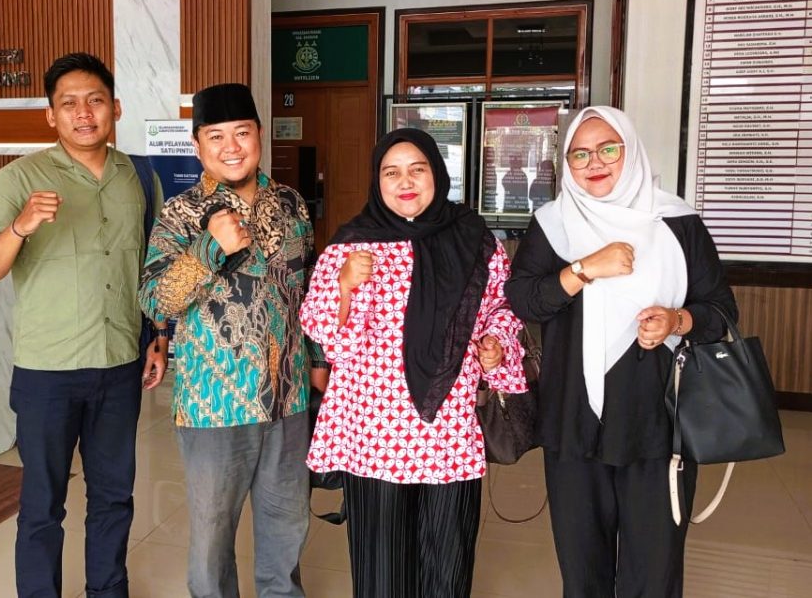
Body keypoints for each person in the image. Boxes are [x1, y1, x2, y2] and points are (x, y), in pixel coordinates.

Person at [505, 106, 737, 598]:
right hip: (574, 425)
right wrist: (584, 268)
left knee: (653, 575)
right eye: (580, 153)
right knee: (582, 574)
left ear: (630, 152)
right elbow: (524, 300)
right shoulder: (552, 224)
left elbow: (721, 312)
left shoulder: (677, 222)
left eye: (608, 149)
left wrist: (677, 320)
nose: (594, 162)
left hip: (659, 426)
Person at [300, 127, 528, 597]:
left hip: (448, 429)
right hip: (373, 433)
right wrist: (345, 286)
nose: (405, 182)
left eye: (416, 170)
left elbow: (503, 308)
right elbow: (325, 337)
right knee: (382, 570)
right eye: (391, 173)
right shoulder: (350, 246)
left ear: (436, 174)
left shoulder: (475, 240)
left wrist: (497, 343)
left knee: (447, 562)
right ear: (377, 181)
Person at [0, 52, 166, 598]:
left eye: (95, 101)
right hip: (47, 373)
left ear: (115, 108)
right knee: (42, 505)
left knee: (114, 497)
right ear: (50, 115)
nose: (84, 113)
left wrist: (159, 336)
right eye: (70, 104)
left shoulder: (140, 177)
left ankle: (108, 590)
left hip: (119, 365)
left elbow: (152, 268)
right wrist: (20, 226)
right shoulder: (19, 177)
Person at [138, 83, 327, 598]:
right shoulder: (181, 213)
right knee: (212, 539)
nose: (231, 147)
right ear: (198, 145)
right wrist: (208, 248)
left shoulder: (290, 204)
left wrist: (317, 360)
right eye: (216, 136)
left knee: (287, 528)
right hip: (214, 404)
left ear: (259, 135)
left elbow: (307, 288)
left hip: (288, 399)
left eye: (242, 133)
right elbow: (154, 299)